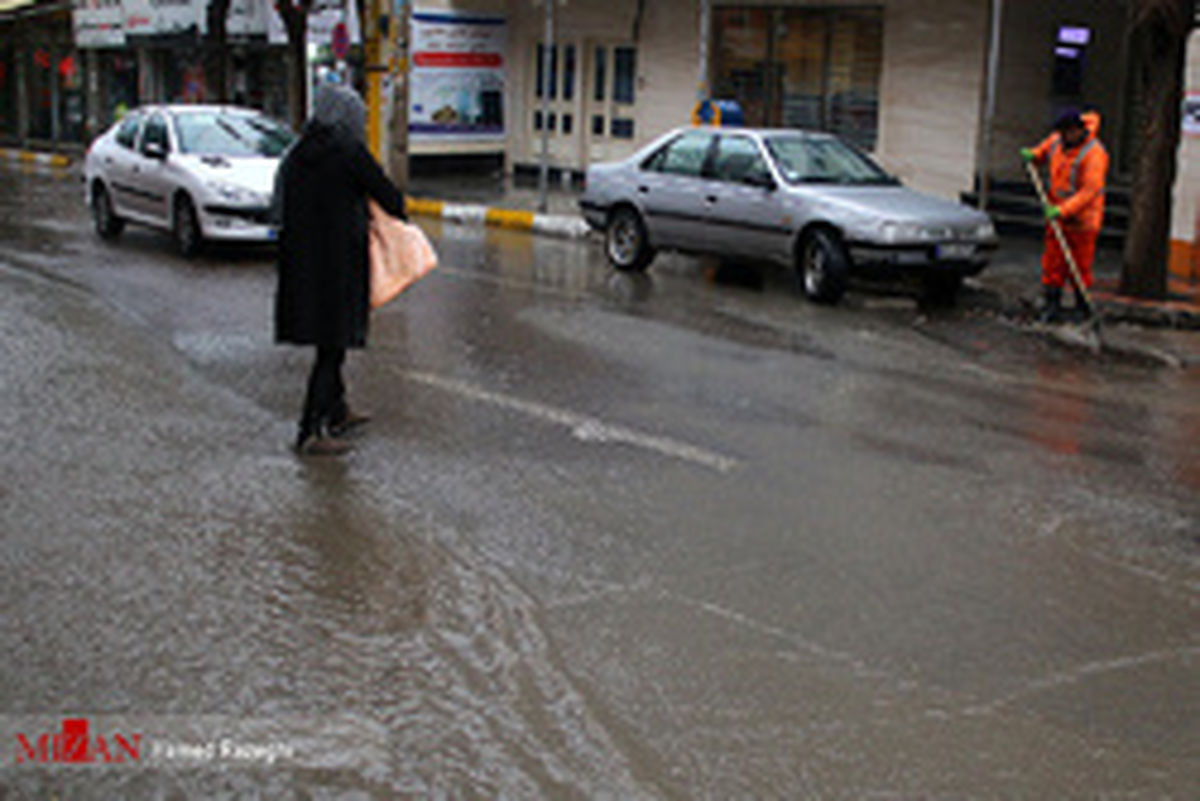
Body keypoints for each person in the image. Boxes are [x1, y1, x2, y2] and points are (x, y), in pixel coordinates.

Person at [273, 83, 407, 455]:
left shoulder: (298, 153)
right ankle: (310, 430)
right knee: (332, 347)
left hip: (303, 268)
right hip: (338, 266)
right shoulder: (349, 152)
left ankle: (337, 410)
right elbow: (390, 198)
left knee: (329, 342)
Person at [1021, 107, 1109, 323]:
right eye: (1061, 132)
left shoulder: (1094, 154)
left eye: (1068, 132)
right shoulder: (1057, 141)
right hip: (1057, 216)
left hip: (1082, 220)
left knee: (1078, 266)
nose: (1064, 137)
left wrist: (1063, 210)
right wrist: (1033, 154)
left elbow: (1090, 191)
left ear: (1078, 130)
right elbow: (1044, 150)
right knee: (1053, 263)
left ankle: (1083, 308)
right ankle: (1052, 304)